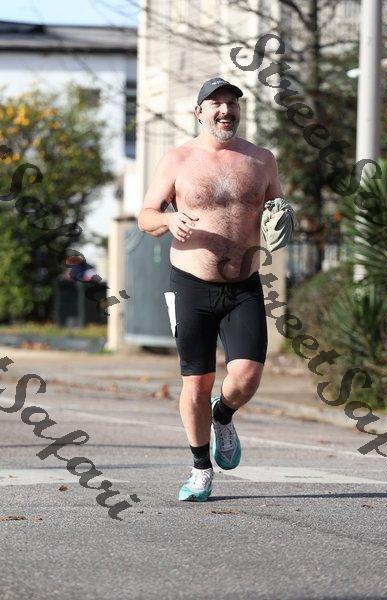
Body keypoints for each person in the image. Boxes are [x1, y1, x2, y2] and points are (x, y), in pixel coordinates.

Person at [138, 77, 289, 502]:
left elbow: (276, 206)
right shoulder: (178, 160)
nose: (225, 110)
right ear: (199, 112)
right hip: (191, 285)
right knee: (197, 383)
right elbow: (146, 216)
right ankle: (200, 469)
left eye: (232, 103)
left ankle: (223, 416)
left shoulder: (261, 160)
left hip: (244, 285)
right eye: (216, 103)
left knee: (247, 376)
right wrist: (169, 220)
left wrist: (281, 216)